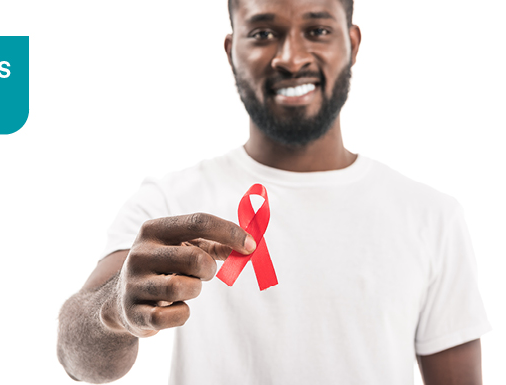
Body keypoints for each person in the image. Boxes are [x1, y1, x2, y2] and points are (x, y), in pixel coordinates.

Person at [57, 0, 491, 383]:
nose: (291, 58)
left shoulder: (431, 216)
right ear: (232, 51)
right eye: (263, 34)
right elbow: (77, 360)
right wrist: (114, 310)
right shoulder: (169, 204)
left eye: (317, 30)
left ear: (353, 43)